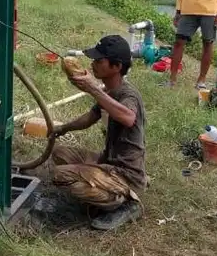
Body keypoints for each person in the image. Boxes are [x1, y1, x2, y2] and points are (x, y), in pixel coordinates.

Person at [51, 35, 147, 231]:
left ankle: (127, 202)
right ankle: (102, 186)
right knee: (60, 153)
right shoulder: (109, 91)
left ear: (116, 66)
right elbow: (90, 117)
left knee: (61, 176)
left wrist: (94, 89)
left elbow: (128, 117)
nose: (93, 64)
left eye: (99, 61)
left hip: (126, 173)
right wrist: (62, 128)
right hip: (109, 162)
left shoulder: (128, 94)